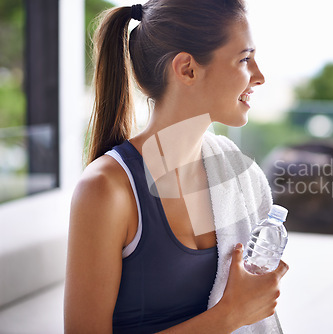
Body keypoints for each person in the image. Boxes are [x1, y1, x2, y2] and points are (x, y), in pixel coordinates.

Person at [64, 0, 288, 333]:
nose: (260, 76)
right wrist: (229, 316)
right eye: (244, 59)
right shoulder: (106, 189)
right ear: (187, 69)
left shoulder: (232, 172)